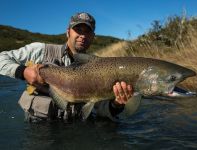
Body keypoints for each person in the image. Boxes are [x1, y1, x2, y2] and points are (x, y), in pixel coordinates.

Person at [0, 12, 133, 122]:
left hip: (76, 131)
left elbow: (101, 110)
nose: (82, 35)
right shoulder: (40, 50)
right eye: (78, 30)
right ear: (68, 32)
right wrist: (23, 71)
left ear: (93, 37)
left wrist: (117, 104)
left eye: (87, 31)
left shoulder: (99, 67)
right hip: (40, 128)